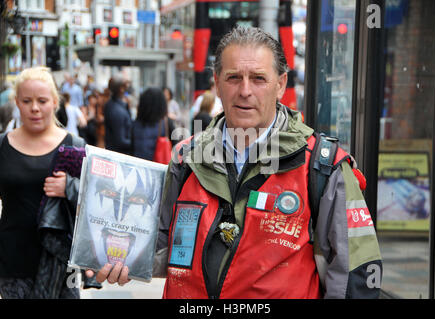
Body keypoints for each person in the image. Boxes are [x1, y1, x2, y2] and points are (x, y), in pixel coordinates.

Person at [87, 26, 382, 299]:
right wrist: (118, 259)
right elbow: (160, 248)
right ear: (216, 83)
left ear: (280, 85)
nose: (244, 91)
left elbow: (356, 274)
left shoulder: (324, 168)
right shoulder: (185, 159)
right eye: (233, 78)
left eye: (258, 78)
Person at [0, 67, 85, 298]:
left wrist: (69, 187)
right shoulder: (2, 145)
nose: (34, 108)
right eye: (27, 101)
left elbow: (98, 201)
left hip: (62, 264)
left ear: (55, 102)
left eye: (42, 100)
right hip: (13, 263)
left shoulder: (74, 146)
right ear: (17, 102)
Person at [131, 87, 177, 161]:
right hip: (159, 167)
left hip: (137, 167)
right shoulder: (166, 123)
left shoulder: (135, 124)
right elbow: (177, 146)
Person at [103, 75, 132, 155]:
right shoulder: (117, 111)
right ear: (121, 89)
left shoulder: (112, 105)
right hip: (120, 155)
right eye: (126, 84)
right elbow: (121, 141)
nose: (128, 85)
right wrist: (137, 143)